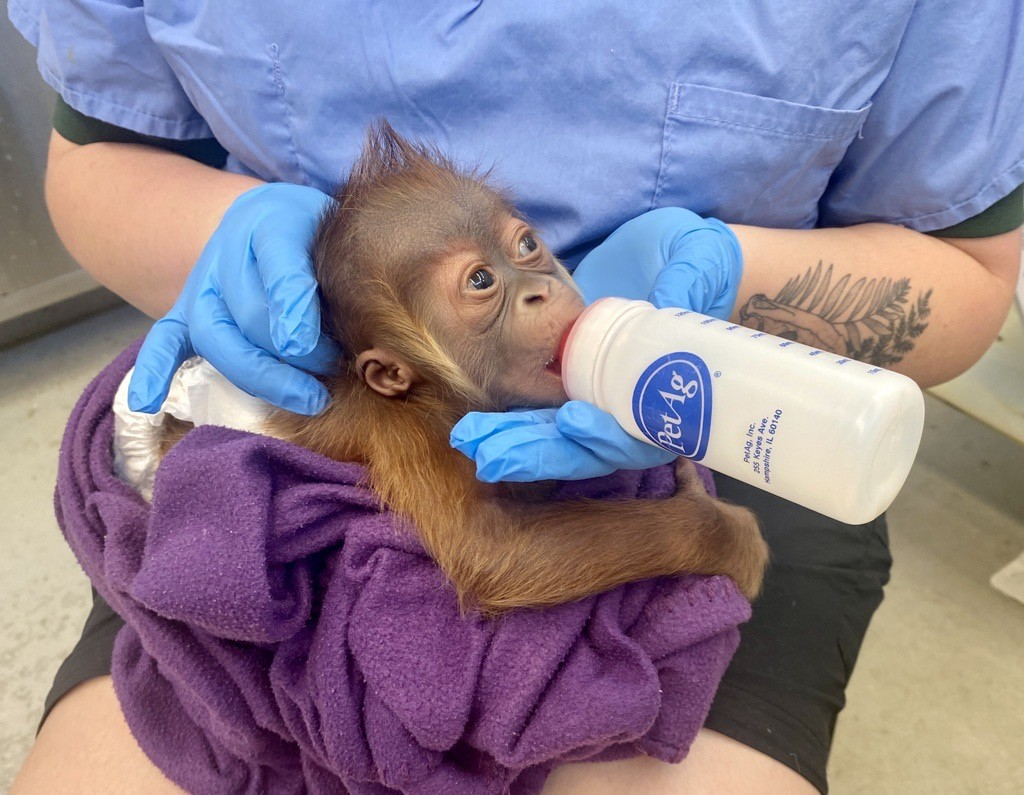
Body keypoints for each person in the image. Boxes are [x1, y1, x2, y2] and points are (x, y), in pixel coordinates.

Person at [8, 1, 1023, 792]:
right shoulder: (395, 421)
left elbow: (972, 281)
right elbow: (487, 563)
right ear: (393, 370)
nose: (547, 284)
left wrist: (728, 275)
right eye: (485, 285)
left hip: (739, 419)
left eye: (525, 247)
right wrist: (703, 541)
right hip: (323, 461)